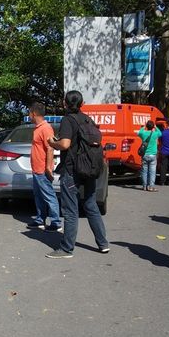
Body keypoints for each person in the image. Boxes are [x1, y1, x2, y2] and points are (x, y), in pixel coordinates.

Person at [46, 91, 109, 258]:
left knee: (70, 210)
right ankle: (103, 243)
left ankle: (66, 248)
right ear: (82, 103)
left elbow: (65, 144)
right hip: (89, 169)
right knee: (91, 205)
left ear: (65, 103)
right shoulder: (88, 119)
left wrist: (53, 142)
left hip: (72, 170)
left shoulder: (68, 120)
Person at [27, 102, 62, 232]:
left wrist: (48, 167)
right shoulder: (38, 128)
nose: (29, 115)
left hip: (42, 169)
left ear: (34, 113)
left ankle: (55, 222)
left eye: (29, 113)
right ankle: (40, 219)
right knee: (39, 195)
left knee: (48, 195)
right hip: (36, 168)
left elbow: (50, 149)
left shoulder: (45, 128)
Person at [137, 120, 162, 191]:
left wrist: (143, 127)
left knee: (144, 171)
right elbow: (160, 134)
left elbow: (139, 132)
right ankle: (151, 186)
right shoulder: (155, 134)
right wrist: (156, 127)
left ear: (147, 127)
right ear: (152, 127)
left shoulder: (143, 133)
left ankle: (144, 186)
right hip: (153, 155)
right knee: (152, 171)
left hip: (145, 154)